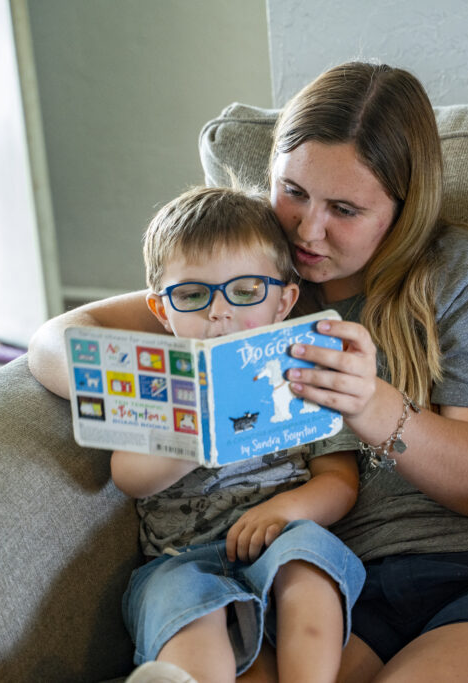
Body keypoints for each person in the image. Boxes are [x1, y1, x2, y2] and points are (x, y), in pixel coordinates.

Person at [29, 61, 468, 683]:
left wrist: (372, 404)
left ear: (401, 212)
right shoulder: (249, 283)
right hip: (344, 580)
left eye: (345, 210)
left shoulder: (459, 274)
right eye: (294, 192)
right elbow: (56, 344)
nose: (308, 230)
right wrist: (190, 397)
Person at [113, 186, 364, 683]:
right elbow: (128, 476)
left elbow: (340, 482)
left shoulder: (303, 372)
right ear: (162, 310)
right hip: (179, 561)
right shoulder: (159, 383)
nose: (218, 313)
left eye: (245, 291)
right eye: (191, 294)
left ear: (284, 302)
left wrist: (285, 511)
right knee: (190, 614)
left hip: (284, 537)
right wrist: (193, 435)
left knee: (309, 571)